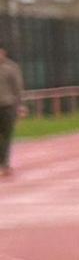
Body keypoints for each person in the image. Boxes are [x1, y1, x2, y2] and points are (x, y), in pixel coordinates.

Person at [0, 45, 22, 179]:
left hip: (7, 106)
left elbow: (17, 88)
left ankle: (5, 164)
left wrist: (19, 106)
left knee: (6, 136)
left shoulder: (12, 68)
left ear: (4, 53)